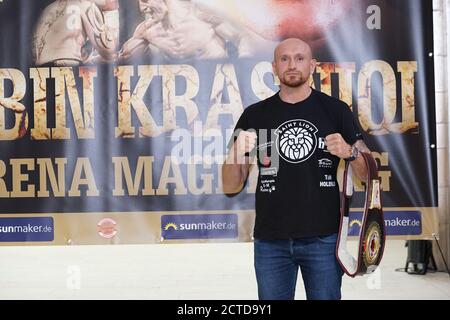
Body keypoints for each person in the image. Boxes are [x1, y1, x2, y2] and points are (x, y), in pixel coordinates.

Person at [222, 38, 370, 300]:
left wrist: (350, 152)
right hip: (270, 240)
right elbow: (231, 187)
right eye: (285, 59)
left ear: (312, 65)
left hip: (323, 238)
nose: (292, 65)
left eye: (300, 58)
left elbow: (369, 175)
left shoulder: (336, 111)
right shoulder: (254, 115)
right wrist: (235, 153)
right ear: (274, 67)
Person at [120, 0, 275, 61]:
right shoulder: (147, 30)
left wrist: (243, 65)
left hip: (221, 91)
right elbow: (121, 58)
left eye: (146, 0)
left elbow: (242, 37)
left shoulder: (200, 12)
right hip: (187, 101)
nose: (142, 7)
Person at [32, 0, 120, 66]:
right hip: (67, 69)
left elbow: (35, 51)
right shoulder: (86, 5)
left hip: (41, 73)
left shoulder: (50, 8)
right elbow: (109, 49)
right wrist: (107, 16)